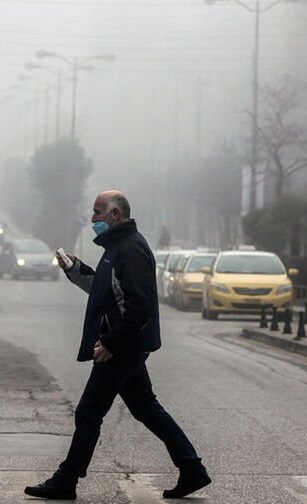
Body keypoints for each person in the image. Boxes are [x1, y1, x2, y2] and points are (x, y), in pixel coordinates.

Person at [25, 190, 210, 500]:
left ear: (115, 215)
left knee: (88, 412)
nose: (93, 218)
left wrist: (110, 342)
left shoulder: (130, 249)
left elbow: (140, 306)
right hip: (127, 344)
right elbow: (105, 290)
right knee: (146, 409)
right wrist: (73, 268)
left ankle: (66, 480)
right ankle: (192, 469)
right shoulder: (117, 247)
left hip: (123, 346)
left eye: (98, 212)